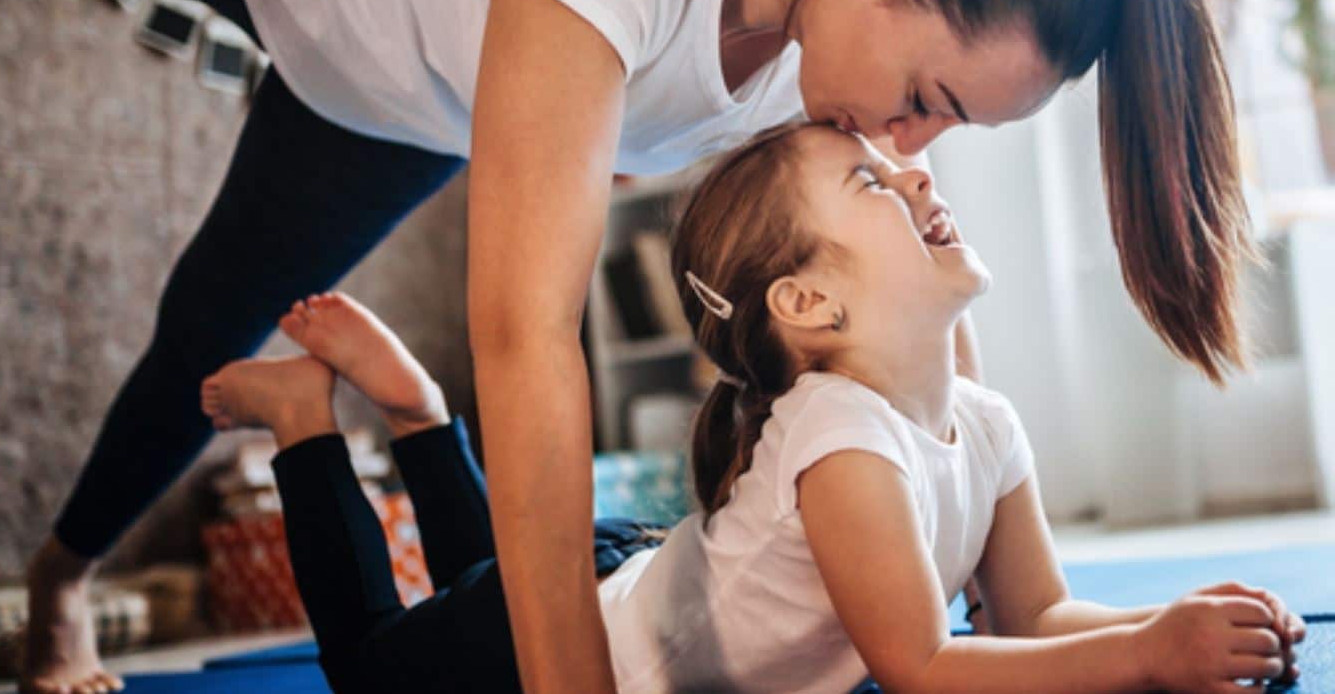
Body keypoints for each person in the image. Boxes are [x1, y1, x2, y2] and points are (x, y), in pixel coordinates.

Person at [0, 0, 1250, 688]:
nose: (911, 146)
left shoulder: (835, 41)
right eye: (926, 102)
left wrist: (968, 479)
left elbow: (908, 320)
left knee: (206, 329)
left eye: (950, 126)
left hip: (399, 110)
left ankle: (57, 575)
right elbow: (525, 338)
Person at [200, 122, 1304, 694]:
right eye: (877, 181)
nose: (921, 177)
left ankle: (423, 418)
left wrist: (1187, 629)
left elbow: (1032, 620)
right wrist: (1150, 655)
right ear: (806, 303)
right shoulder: (839, 432)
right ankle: (311, 424)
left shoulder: (987, 422)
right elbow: (923, 668)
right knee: (375, 668)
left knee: (478, 587)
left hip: (624, 574)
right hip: (594, 642)